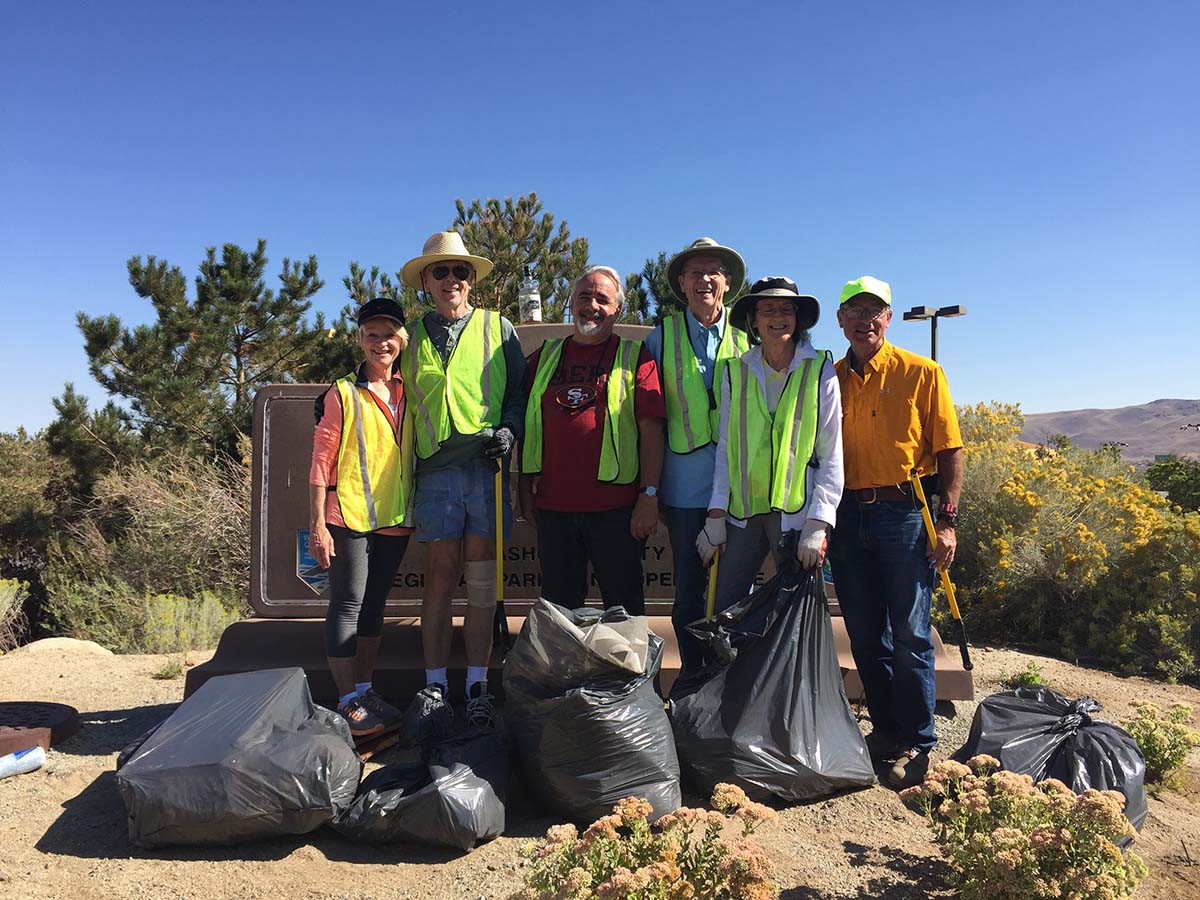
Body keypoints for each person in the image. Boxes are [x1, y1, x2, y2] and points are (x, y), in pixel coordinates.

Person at [826, 275, 963, 789]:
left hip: (906, 513)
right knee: (864, 631)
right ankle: (886, 733)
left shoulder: (921, 372)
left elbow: (950, 449)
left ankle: (921, 741)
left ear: (888, 317)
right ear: (841, 320)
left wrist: (947, 522)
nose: (865, 320)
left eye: (875, 311)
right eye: (854, 311)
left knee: (910, 632)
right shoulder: (828, 377)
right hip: (846, 515)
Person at [399, 231, 527, 728]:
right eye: (441, 271)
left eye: (460, 271)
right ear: (425, 281)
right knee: (438, 581)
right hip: (434, 473)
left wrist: (509, 430)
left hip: (485, 470)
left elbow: (518, 392)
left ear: (471, 280)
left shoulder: (500, 328)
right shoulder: (408, 337)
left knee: (479, 585)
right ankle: (435, 684)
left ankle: (475, 684)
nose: (451, 280)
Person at [518, 265, 665, 614]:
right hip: (554, 509)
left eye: (603, 299)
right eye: (584, 296)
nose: (592, 306)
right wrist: (524, 489)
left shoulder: (634, 357)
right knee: (559, 615)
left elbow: (652, 432)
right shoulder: (543, 357)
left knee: (624, 610)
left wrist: (649, 496)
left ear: (617, 310)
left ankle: (630, 672)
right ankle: (566, 672)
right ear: (571, 302)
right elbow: (528, 425)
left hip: (615, 510)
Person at [700, 277, 843, 617]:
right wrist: (715, 515)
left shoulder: (820, 367)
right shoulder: (735, 372)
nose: (777, 317)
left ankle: (795, 674)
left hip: (795, 516)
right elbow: (725, 450)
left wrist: (818, 522)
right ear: (753, 319)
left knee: (797, 614)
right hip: (743, 513)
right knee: (725, 609)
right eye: (767, 309)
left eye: (785, 309)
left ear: (798, 318)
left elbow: (831, 451)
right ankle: (732, 672)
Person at [309, 297, 415, 739]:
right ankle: (348, 698)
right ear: (361, 340)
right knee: (347, 605)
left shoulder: (411, 390)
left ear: (401, 340)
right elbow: (320, 460)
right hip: (348, 515)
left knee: (374, 607)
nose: (381, 343)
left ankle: (366, 690)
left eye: (388, 335)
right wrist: (317, 523)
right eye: (372, 335)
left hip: (394, 518)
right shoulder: (342, 393)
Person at [644, 237, 750, 671]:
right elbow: (648, 418)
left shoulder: (749, 342)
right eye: (695, 273)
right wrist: (652, 491)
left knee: (734, 594)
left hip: (741, 490)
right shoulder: (659, 338)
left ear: (726, 283)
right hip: (685, 491)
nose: (704, 279)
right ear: (682, 285)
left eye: (713, 272)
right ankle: (691, 682)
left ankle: (729, 682)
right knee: (689, 591)